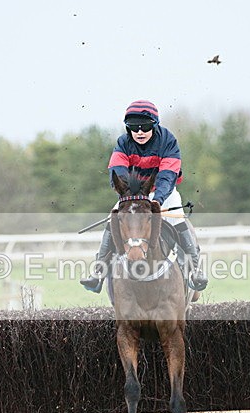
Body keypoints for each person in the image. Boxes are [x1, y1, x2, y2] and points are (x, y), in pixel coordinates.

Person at [80, 99, 208, 293]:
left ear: (155, 125)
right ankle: (98, 271)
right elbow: (117, 170)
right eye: (134, 127)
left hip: (162, 191)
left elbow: (168, 174)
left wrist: (158, 200)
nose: (139, 132)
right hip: (134, 194)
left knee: (178, 221)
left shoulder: (168, 140)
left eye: (145, 127)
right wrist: (128, 194)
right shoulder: (123, 142)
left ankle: (195, 270)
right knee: (112, 217)